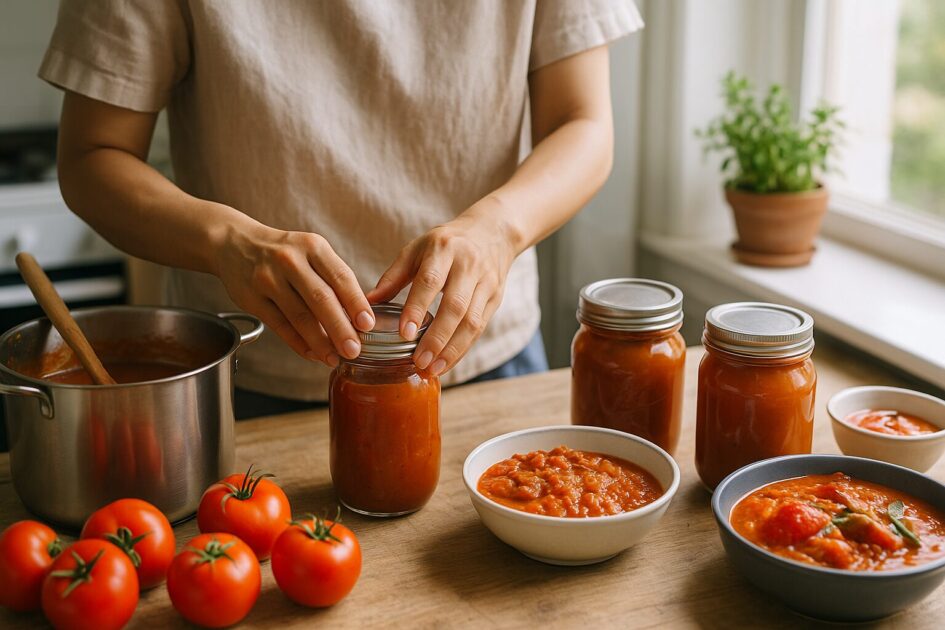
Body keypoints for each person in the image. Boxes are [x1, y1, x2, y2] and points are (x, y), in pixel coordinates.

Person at [39, 1, 643, 413]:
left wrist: (498, 230)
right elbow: (92, 157)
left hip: (486, 354)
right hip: (253, 373)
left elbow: (584, 123)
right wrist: (225, 241)